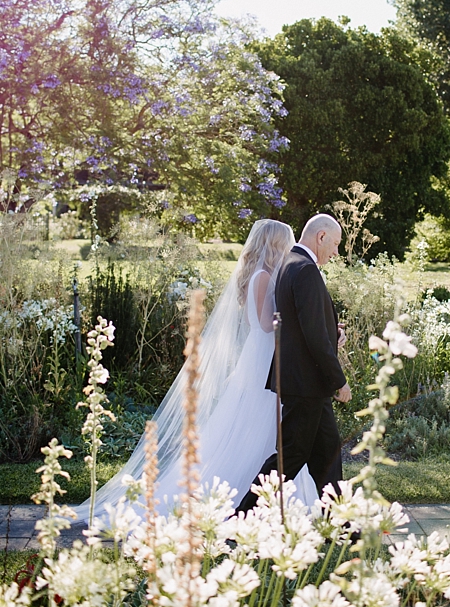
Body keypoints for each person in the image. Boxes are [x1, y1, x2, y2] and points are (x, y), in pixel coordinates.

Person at [73, 218, 319, 522]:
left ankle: (273, 497)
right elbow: (268, 323)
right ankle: (254, 496)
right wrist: (294, 317)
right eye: (285, 243)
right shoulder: (264, 277)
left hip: (261, 353)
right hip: (263, 357)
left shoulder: (259, 274)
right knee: (263, 426)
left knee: (268, 426)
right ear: (274, 244)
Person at [237, 213, 351, 513]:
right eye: (335, 244)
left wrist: (331, 329)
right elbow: (313, 336)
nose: (336, 253)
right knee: (288, 458)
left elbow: (299, 323)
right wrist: (338, 380)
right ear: (321, 237)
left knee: (328, 454)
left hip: (306, 384)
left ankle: (341, 523)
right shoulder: (305, 269)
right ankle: (240, 517)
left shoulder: (288, 265)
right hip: (306, 384)